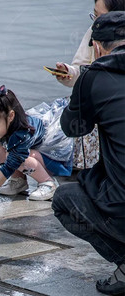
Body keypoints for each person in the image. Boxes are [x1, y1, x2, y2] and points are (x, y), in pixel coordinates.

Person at [52, 11, 125, 296]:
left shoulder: (94, 77)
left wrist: (83, 83)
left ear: (96, 47)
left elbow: (72, 127)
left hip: (121, 208)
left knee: (64, 200)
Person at [0, 86, 73, 203]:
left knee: (15, 157)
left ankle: (47, 183)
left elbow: (10, 164)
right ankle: (18, 180)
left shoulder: (22, 132)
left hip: (51, 157)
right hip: (31, 154)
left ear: (11, 116)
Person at [53, 0, 125, 170]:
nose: (95, 21)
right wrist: (69, 72)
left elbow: (70, 126)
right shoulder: (94, 30)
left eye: (100, 16)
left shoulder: (93, 77)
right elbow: (79, 70)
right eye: (94, 15)